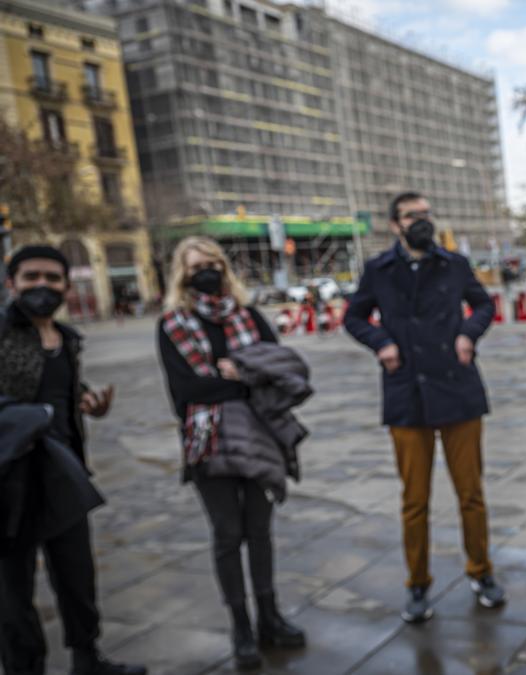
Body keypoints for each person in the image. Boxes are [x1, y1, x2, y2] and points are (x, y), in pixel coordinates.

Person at [343, 191, 505, 624]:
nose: (422, 221)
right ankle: (417, 584)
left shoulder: (453, 264)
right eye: (412, 215)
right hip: (406, 393)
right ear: (395, 224)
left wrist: (469, 334)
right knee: (415, 500)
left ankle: (481, 572)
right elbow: (354, 317)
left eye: (426, 214)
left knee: (471, 494)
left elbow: (485, 303)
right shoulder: (379, 270)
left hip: (457, 387)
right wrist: (382, 344)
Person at [156, 237, 305, 670]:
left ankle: (270, 616)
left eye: (214, 263)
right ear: (181, 274)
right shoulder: (173, 324)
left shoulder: (250, 317)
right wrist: (243, 381)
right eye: (196, 265)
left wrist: (239, 377)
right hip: (207, 441)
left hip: (258, 437)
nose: (206, 271)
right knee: (226, 534)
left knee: (260, 530)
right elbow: (185, 391)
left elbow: (280, 370)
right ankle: (240, 624)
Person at [0, 246, 145, 675]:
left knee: (77, 576)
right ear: (12, 284)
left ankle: (88, 659)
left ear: (66, 285)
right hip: (11, 481)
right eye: (31, 277)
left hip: (64, 475)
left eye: (52, 278)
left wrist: (87, 403)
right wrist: (34, 417)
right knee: (12, 591)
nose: (42, 286)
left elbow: (60, 391)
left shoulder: (66, 339)